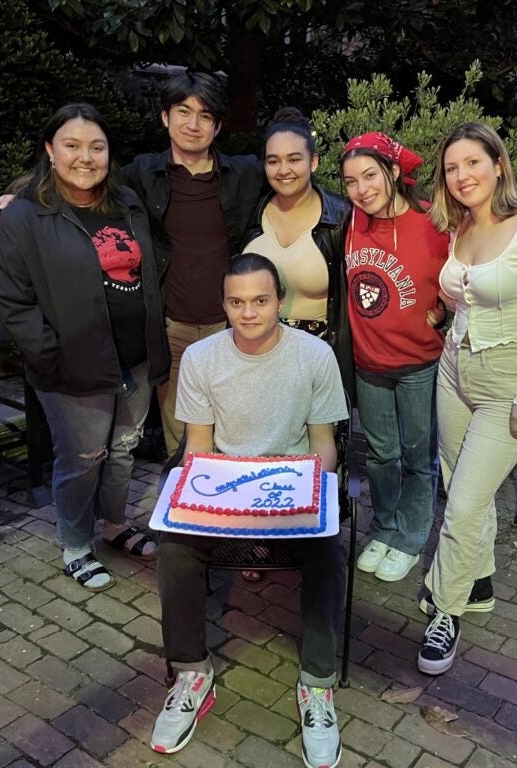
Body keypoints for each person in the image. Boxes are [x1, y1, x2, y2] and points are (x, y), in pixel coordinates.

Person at [0, 72, 265, 458]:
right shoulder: (142, 174)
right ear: (165, 118)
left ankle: (233, 507)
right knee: (181, 433)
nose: (193, 124)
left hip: (233, 324)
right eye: (183, 111)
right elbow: (80, 180)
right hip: (172, 327)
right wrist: (13, 196)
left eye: (205, 116)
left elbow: (293, 176)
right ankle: (185, 508)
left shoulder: (245, 173)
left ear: (218, 126)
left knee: (238, 424)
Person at [151, 254, 348, 768]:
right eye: (236, 302)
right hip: (227, 489)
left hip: (290, 484)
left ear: (279, 301)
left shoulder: (314, 356)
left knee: (327, 548)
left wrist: (310, 492)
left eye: (261, 301)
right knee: (173, 547)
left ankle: (318, 685)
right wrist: (209, 498)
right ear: (223, 305)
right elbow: (197, 448)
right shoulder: (199, 358)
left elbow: (324, 445)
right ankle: (191, 673)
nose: (249, 312)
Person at [416, 122, 517, 675]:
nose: (462, 176)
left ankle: (447, 609)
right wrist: (444, 312)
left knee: (461, 504)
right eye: (452, 168)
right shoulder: (460, 228)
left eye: (473, 163)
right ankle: (476, 581)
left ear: (499, 164)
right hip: (454, 370)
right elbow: (463, 297)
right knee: (460, 485)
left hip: (508, 383)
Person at [0, 103, 161, 590]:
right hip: (72, 365)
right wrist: (49, 354)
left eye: (96, 147)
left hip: (135, 359)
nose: (85, 157)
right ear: (50, 150)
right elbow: (10, 298)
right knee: (83, 458)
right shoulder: (25, 218)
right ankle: (75, 544)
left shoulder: (125, 202)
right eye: (72, 145)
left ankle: (114, 526)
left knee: (124, 449)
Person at [341, 132, 449, 583]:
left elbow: (460, 281)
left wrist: (442, 314)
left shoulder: (432, 223)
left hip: (419, 364)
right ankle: (383, 528)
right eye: (350, 181)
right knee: (381, 454)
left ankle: (410, 535)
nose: (362, 188)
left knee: (417, 456)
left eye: (370, 176)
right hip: (369, 363)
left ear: (393, 172)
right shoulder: (349, 222)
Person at [242, 107, 352, 392]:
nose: (283, 170)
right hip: (255, 355)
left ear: (313, 161)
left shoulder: (341, 218)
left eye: (294, 159)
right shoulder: (248, 213)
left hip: (319, 358)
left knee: (320, 436)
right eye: (273, 161)